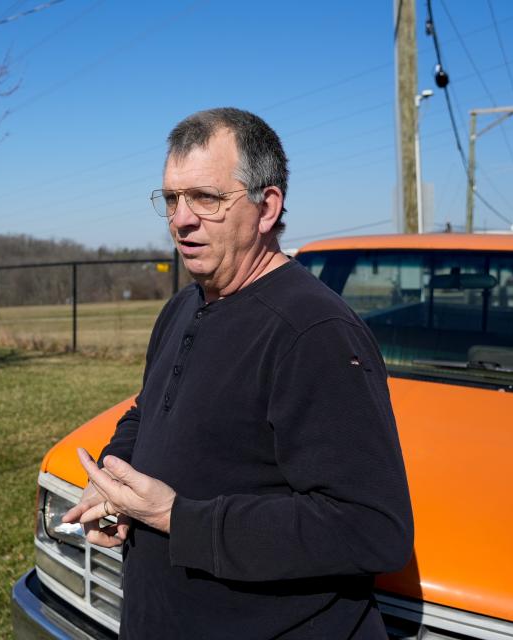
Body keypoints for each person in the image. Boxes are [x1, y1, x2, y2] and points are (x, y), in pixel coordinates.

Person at [62, 108, 413, 639]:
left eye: (206, 198)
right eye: (173, 199)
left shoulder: (314, 332)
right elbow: (148, 409)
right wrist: (116, 479)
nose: (181, 219)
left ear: (266, 206)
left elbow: (371, 528)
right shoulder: (183, 306)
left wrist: (180, 519)